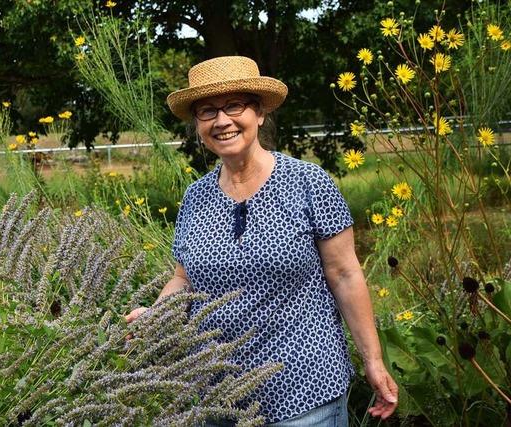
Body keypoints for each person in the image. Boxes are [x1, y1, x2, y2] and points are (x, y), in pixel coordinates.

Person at [125, 56, 398, 426]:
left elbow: (345, 274)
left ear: (259, 114)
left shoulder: (307, 182)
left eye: (234, 106)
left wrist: (373, 361)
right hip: (219, 397)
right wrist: (154, 318)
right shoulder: (195, 197)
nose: (222, 121)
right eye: (207, 112)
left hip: (304, 392)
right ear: (198, 126)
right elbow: (183, 279)